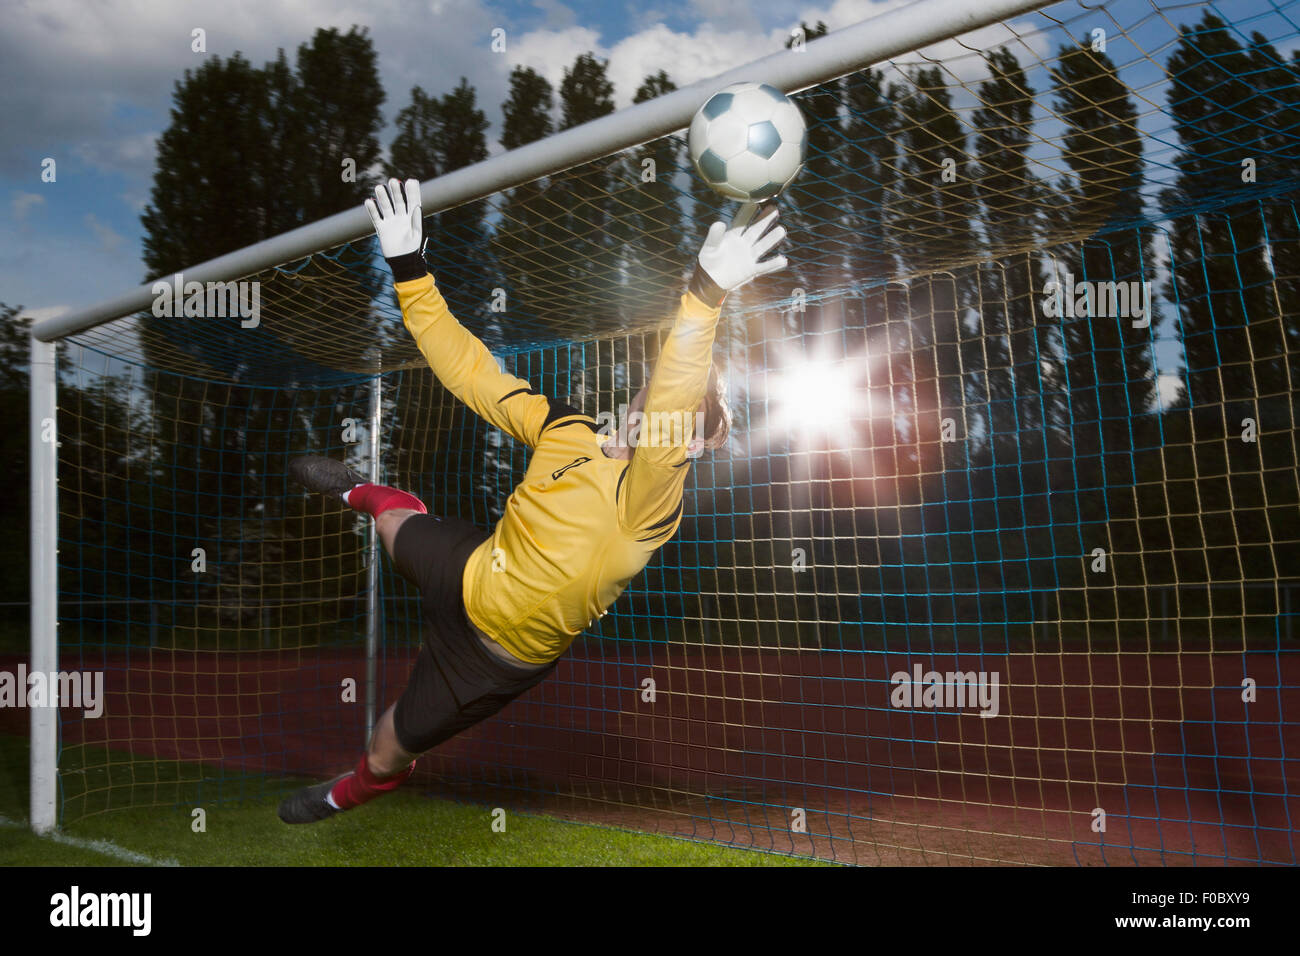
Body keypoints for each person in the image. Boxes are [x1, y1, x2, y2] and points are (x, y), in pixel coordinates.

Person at [278, 178, 786, 823]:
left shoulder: (650, 501)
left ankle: (342, 795)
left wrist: (705, 296)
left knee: (382, 752)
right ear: (639, 396)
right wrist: (409, 266)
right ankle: (370, 492)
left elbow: (678, 387)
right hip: (469, 565)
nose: (677, 418)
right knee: (393, 520)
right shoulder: (564, 428)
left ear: (691, 449)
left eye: (695, 424)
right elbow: (471, 372)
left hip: (489, 660)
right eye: (673, 405)